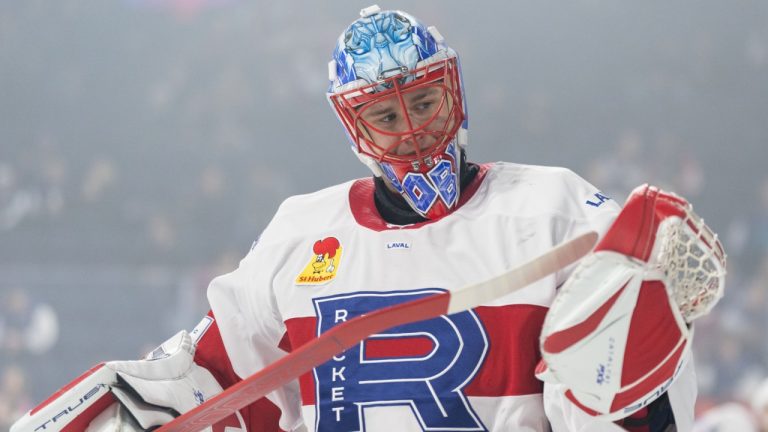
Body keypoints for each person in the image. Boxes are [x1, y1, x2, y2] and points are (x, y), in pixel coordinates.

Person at [11, 5, 726, 432]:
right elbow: (220, 389)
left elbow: (634, 394)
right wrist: (150, 405)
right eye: (386, 114)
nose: (412, 130)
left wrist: (649, 331)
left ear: (456, 93)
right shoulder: (299, 234)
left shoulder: (555, 209)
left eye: (423, 102)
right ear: (355, 129)